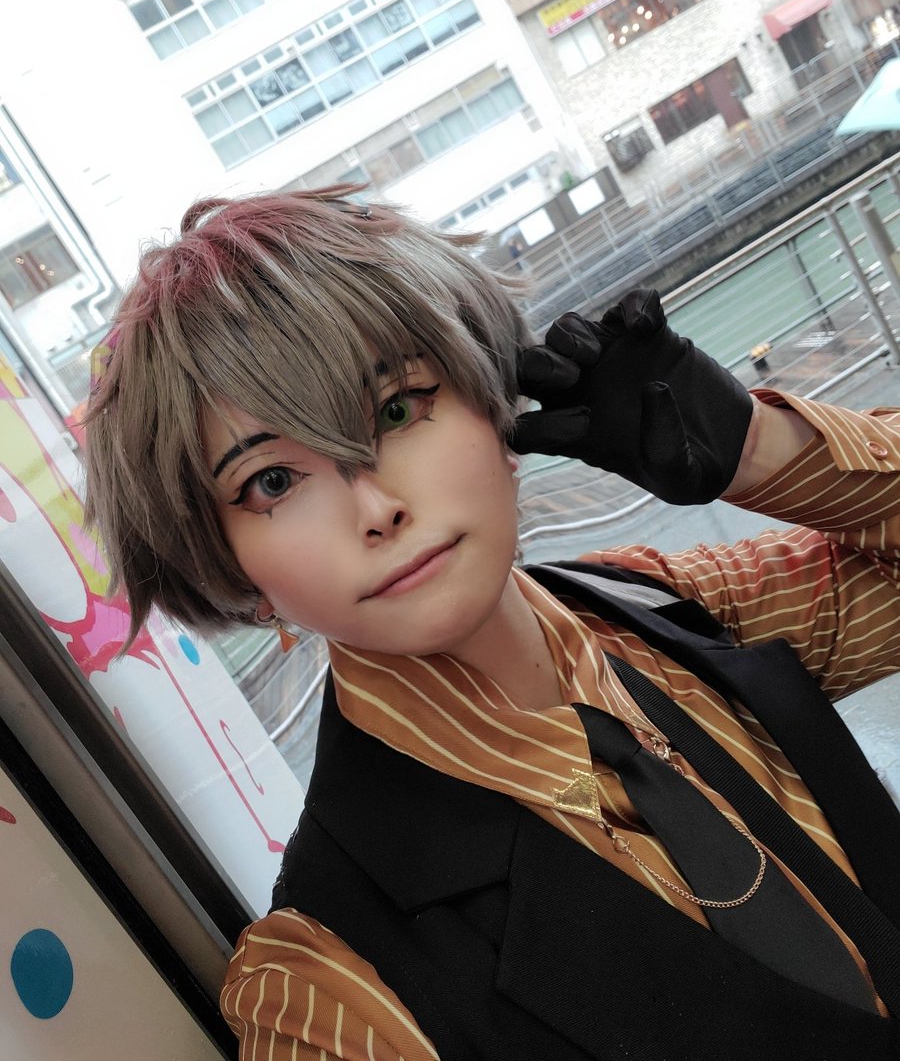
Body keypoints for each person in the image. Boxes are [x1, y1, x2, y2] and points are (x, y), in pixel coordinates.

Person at [84, 186, 900, 1061]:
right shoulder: (324, 987)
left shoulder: (660, 607)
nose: (377, 507)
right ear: (229, 570)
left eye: (396, 409)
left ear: (493, 400)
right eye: (272, 482)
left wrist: (753, 448)